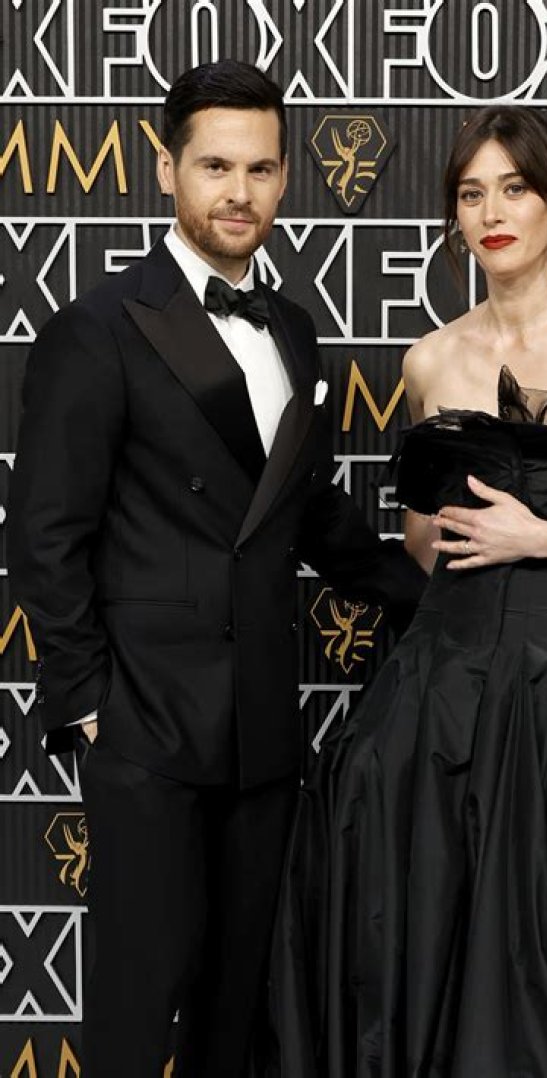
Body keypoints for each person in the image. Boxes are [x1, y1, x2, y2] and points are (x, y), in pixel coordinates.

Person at [267, 105, 547, 1076]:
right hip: (432, 699)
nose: (492, 213)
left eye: (514, 188)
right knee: (416, 952)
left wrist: (543, 536)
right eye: (471, 194)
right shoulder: (431, 360)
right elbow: (426, 546)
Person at [7, 60, 426, 1078]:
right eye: (216, 166)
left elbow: (303, 507)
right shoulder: (97, 328)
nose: (240, 192)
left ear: (285, 178)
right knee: (134, 1004)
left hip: (262, 726)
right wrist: (90, 705)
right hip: (147, 723)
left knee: (238, 1012)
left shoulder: (293, 329)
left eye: (262, 169)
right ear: (167, 170)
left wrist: (430, 591)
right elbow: (44, 534)